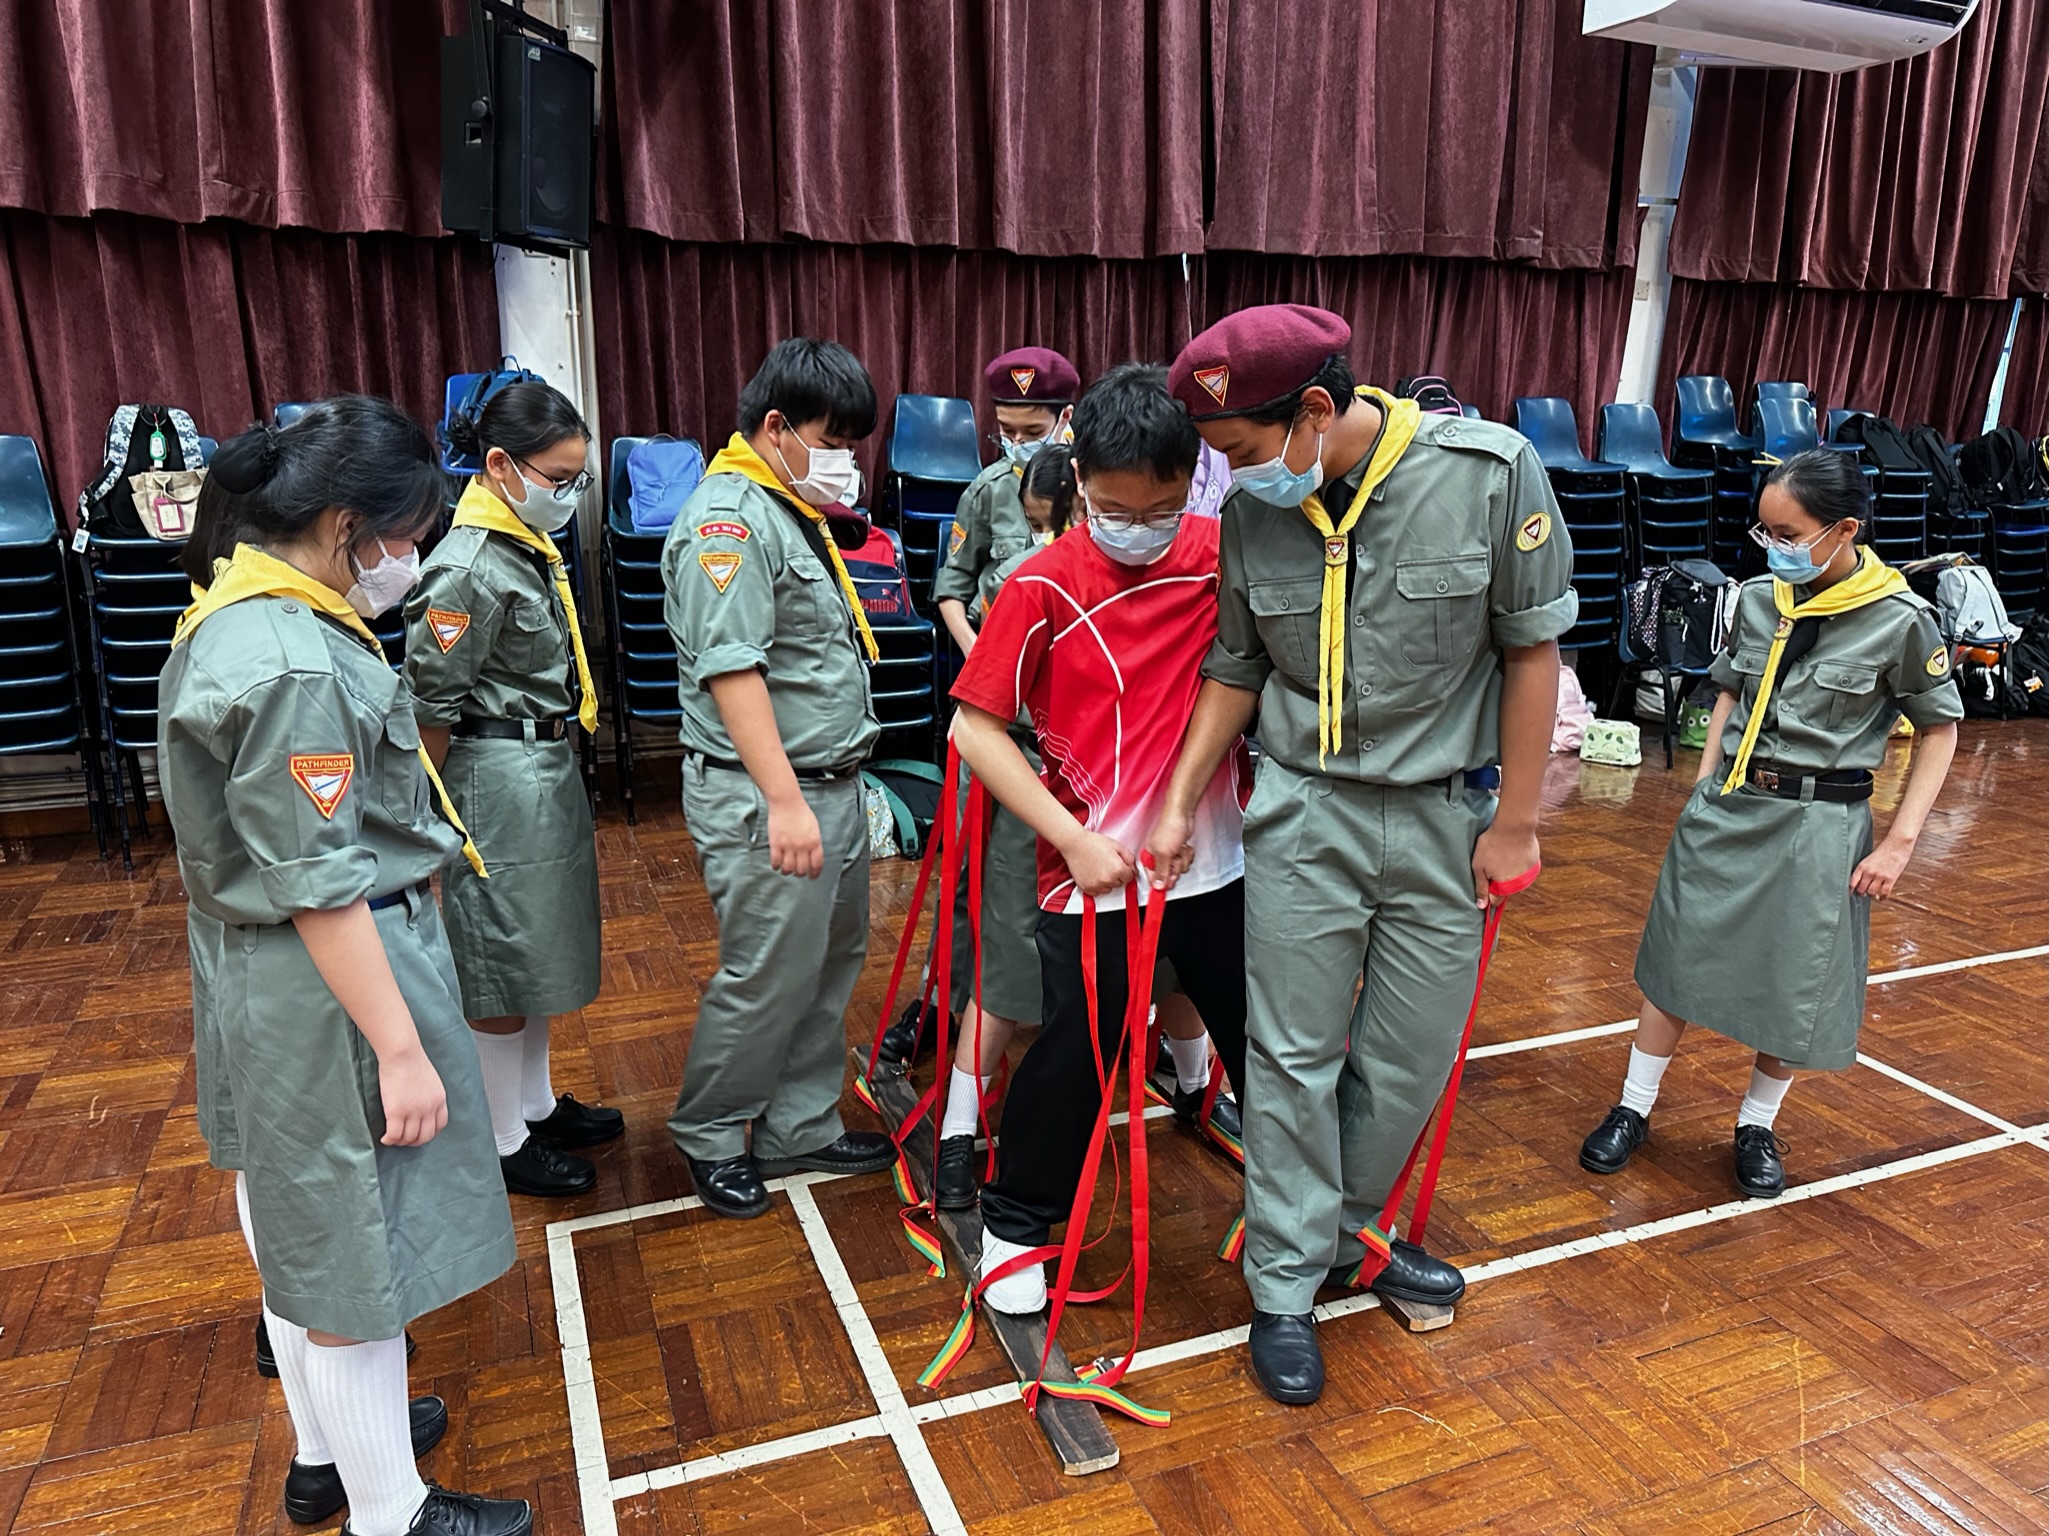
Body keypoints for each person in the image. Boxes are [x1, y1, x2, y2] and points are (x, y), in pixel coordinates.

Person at [1150, 304, 1576, 1406]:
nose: (1233, 476)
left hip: (1444, 818)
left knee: (1408, 1059)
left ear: (1315, 411)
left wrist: (1517, 823)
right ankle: (1285, 1287)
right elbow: (1237, 668)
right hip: (1304, 813)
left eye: (1243, 449)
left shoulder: (1489, 474)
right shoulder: (1255, 512)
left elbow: (1532, 652)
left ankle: (1344, 1237)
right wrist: (1178, 802)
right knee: (1292, 1057)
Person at [159, 398, 529, 1535]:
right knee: (357, 1242)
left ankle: (328, 1451)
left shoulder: (244, 610)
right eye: (406, 535)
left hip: (263, 969)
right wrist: (402, 1051)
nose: (412, 558)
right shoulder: (292, 663)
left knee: (299, 1219)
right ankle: (389, 1512)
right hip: (330, 978)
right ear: (343, 526)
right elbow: (322, 883)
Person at [947, 362, 1252, 1314]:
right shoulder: (1041, 584)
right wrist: (1070, 841)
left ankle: (1303, 1215)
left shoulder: (1221, 553)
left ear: (1190, 482)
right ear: (1077, 480)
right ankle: (1014, 1229)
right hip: (1094, 873)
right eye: (1115, 509)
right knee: (1076, 1058)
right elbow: (974, 732)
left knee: (1269, 1043)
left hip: (1218, 863)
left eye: (1160, 509)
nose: (1138, 529)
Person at [1579, 448, 1961, 1197]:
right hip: (1731, 809)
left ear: (1843, 530)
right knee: (1675, 964)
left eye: (1788, 535)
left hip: (1819, 824)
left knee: (1794, 984)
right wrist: (1703, 786)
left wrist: (1899, 842)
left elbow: (1940, 729)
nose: (1773, 548)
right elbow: (1727, 689)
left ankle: (1755, 1124)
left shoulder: (1899, 620)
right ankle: (1632, 1107)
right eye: (1765, 532)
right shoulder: (1758, 599)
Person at [660, 338, 896, 1219]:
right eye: (831, 443)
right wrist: (785, 800)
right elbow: (733, 672)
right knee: (765, 974)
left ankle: (798, 1123)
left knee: (826, 965)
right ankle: (714, 1133)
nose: (844, 463)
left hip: (825, 783)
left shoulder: (785, 507)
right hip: (769, 793)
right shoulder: (728, 522)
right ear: (774, 427)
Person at [405, 379, 620, 1200]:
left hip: (541, 767)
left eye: (576, 479)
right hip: (491, 777)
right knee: (498, 955)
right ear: (499, 466)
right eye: (557, 479)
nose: (568, 494)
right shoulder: (465, 569)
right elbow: (429, 711)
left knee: (533, 950)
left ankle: (533, 1105)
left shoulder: (523, 546)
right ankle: (501, 1141)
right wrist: (430, 822)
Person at [932, 345, 1080, 656]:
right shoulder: (988, 490)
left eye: (1032, 431)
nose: (1018, 442)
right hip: (1000, 643)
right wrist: (976, 652)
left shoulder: (1091, 483)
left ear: (1065, 417)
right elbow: (952, 586)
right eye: (1007, 431)